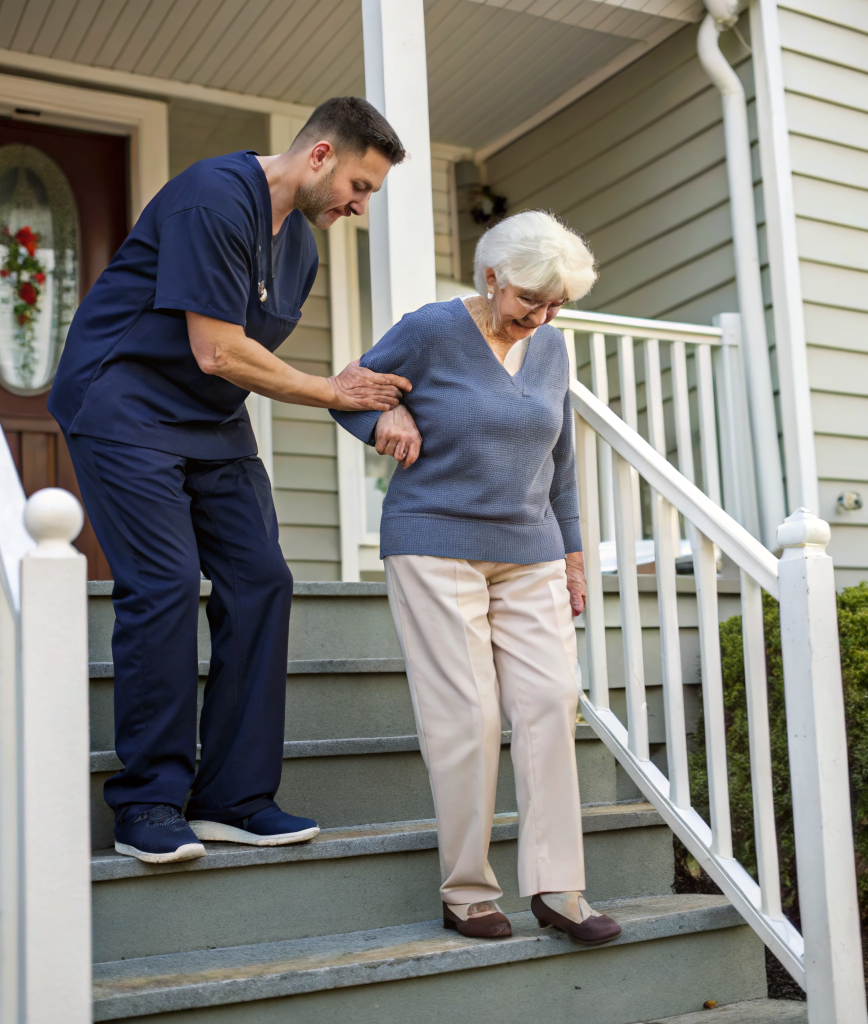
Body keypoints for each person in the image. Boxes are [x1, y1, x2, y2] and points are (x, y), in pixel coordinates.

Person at [48, 98, 412, 864]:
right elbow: (217, 348)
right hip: (123, 400)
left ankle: (233, 798)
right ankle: (147, 803)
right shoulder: (212, 197)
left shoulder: (300, 248)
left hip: (209, 419)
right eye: (360, 185)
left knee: (261, 579)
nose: (360, 205)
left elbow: (236, 360)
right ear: (319, 155)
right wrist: (330, 390)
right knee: (166, 582)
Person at [332, 211, 622, 945]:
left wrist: (573, 555)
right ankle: (465, 890)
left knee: (551, 701)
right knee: (468, 715)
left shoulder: (550, 346)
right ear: (492, 277)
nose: (542, 316)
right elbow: (348, 391)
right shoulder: (430, 330)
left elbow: (559, 458)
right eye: (530, 299)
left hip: (531, 547)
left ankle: (558, 887)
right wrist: (384, 419)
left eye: (557, 304)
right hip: (434, 540)